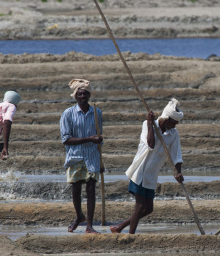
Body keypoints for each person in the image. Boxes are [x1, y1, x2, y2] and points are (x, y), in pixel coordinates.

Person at [111, 98, 184, 235]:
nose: (175, 126)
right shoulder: (147, 125)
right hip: (139, 171)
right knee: (139, 205)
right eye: (173, 122)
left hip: (151, 175)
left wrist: (178, 172)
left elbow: (177, 155)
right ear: (166, 119)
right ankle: (131, 235)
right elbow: (150, 144)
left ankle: (120, 227)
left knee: (148, 208)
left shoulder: (173, 134)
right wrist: (151, 124)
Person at [60, 79, 104, 233]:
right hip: (75, 157)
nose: (83, 96)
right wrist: (89, 139)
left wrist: (101, 161)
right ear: (75, 96)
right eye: (80, 94)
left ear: (89, 95)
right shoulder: (68, 114)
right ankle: (79, 216)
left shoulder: (97, 113)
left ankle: (89, 225)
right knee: (76, 190)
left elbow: (99, 138)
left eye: (85, 93)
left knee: (91, 189)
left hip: (92, 157)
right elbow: (66, 139)